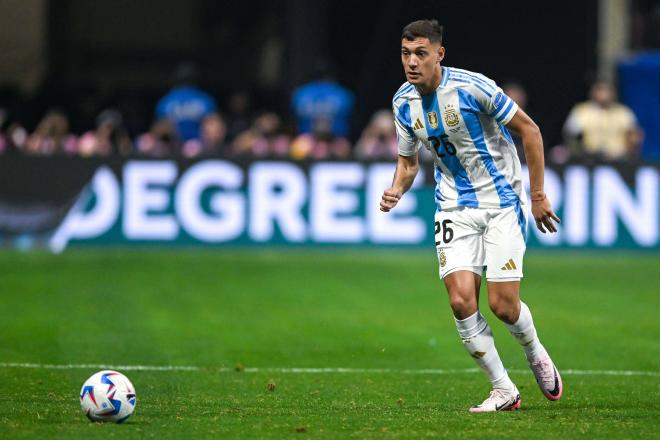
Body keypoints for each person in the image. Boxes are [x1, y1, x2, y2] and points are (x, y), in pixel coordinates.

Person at [380, 20, 562, 413]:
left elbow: (529, 132)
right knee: (462, 302)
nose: (411, 62)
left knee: (503, 306)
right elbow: (409, 163)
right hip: (452, 206)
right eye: (405, 54)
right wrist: (398, 187)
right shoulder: (402, 103)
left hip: (500, 203)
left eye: (420, 53)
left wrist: (537, 194)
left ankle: (534, 350)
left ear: (439, 54)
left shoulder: (472, 87)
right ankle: (503, 389)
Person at [563, 80, 642, 161]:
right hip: (589, 159)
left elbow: (634, 136)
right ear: (594, 93)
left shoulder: (623, 112)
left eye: (607, 91)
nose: (604, 94)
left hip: (619, 159)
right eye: (601, 90)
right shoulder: (582, 111)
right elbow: (570, 135)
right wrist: (579, 152)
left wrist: (628, 150)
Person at [155, 62, 217, 143]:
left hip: (173, 149)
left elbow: (158, 129)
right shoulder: (205, 99)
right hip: (200, 149)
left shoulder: (166, 100)